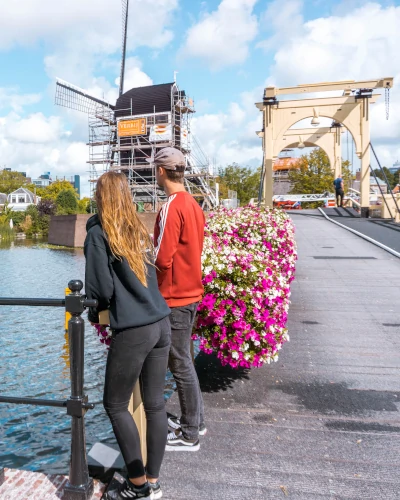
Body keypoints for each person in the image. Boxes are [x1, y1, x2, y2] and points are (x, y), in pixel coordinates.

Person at [84, 171, 171, 500]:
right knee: (154, 405)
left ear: (100, 196)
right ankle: (153, 480)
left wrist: (94, 311)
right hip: (160, 321)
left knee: (115, 404)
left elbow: (101, 289)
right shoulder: (137, 228)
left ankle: (137, 486)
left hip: (134, 328)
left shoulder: (99, 232)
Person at [151, 147, 206, 452]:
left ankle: (189, 434)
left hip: (174, 298)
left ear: (161, 172)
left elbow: (162, 258)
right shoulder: (194, 205)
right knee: (186, 359)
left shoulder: (172, 206)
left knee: (180, 363)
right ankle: (196, 420)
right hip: (191, 293)